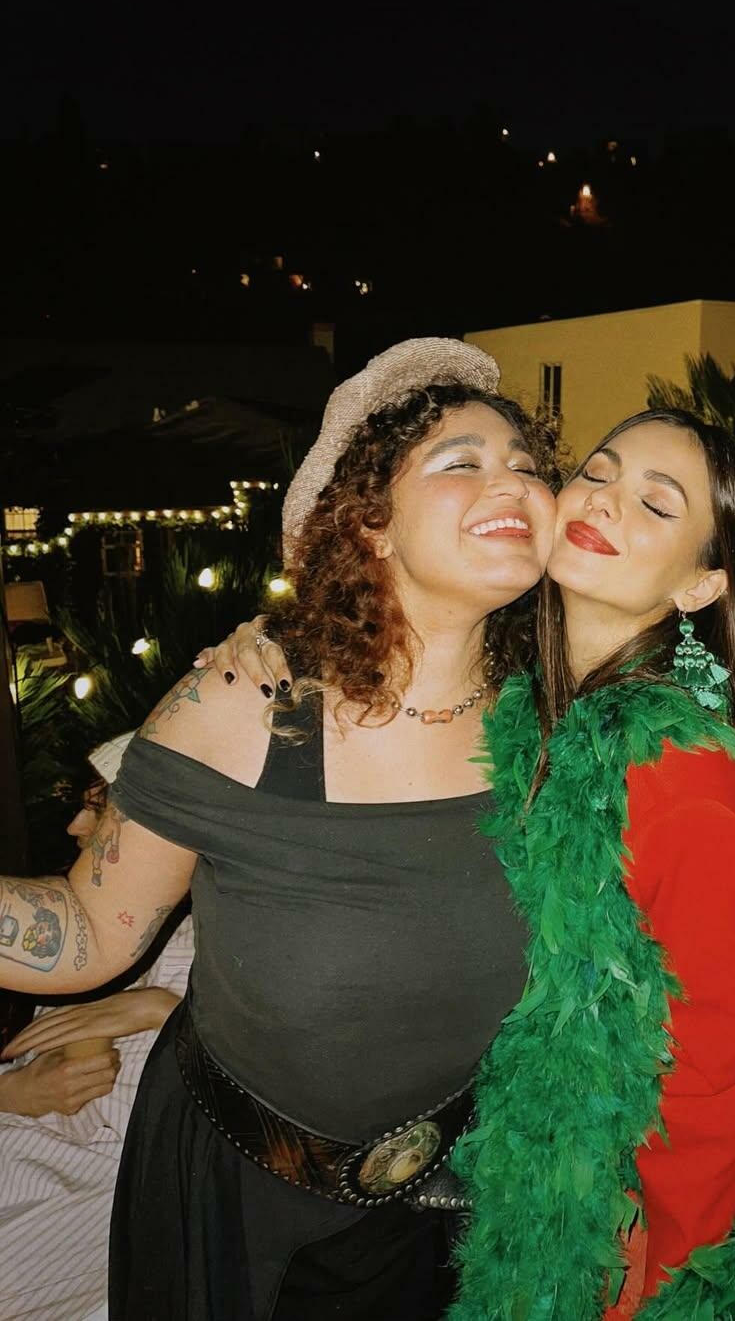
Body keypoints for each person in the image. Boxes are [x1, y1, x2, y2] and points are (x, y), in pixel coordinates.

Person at [214, 409, 735, 1317]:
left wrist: (671, 1290)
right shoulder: (526, 710)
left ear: (700, 585)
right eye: (599, 474)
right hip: (673, 1163)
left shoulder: (683, 776)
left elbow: (701, 1078)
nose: (607, 502)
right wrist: (278, 640)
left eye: (657, 504)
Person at [0, 337, 559, 1321]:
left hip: (458, 1206)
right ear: (371, 524)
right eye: (460, 461)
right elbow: (84, 934)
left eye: (525, 463)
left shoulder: (559, 719)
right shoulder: (252, 703)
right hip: (237, 1202)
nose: (510, 480)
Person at [0, 735, 192, 1321]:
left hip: (94, 1196)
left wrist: (164, 1012)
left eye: (100, 806)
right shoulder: (68, 923)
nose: (75, 827)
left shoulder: (223, 936)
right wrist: (10, 1091)